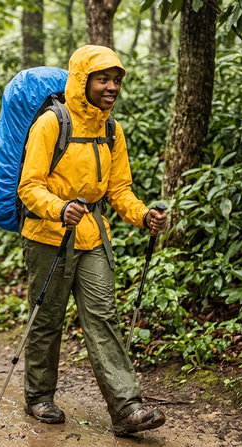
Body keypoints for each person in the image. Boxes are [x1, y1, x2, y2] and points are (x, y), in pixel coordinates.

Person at [17, 45, 168, 435]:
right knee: (47, 320)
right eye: (103, 79)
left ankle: (127, 410)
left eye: (116, 80)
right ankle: (38, 396)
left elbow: (120, 190)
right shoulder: (52, 123)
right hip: (47, 235)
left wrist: (142, 215)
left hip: (91, 236)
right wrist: (58, 207)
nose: (112, 87)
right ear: (83, 80)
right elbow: (29, 186)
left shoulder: (111, 130)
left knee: (103, 317)